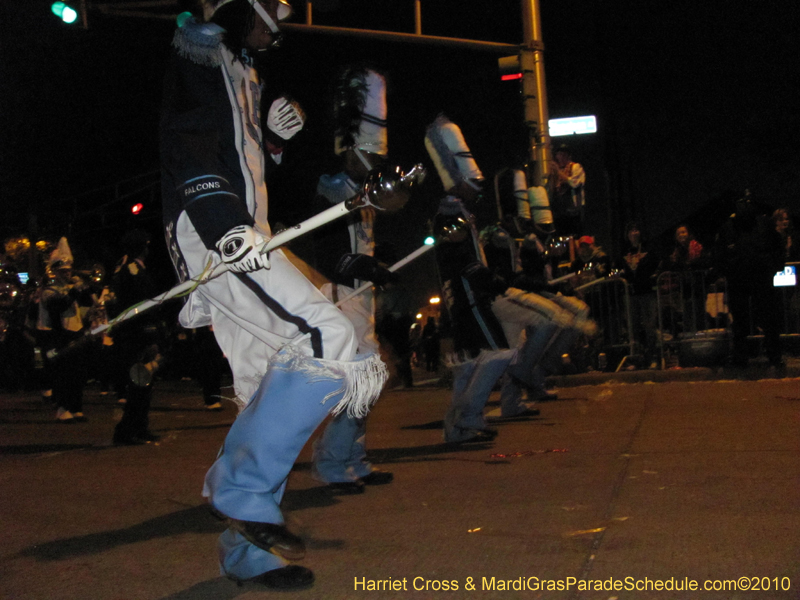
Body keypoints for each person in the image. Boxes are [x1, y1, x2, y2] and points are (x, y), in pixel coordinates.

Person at [159, 0, 387, 589]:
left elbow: (246, 164)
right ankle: (237, 491)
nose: (276, 30)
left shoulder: (244, 70)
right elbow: (187, 143)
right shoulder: (203, 50)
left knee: (266, 388)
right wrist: (221, 222)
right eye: (270, 16)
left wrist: (275, 145)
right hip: (218, 232)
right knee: (330, 335)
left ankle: (246, 551)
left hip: (245, 230)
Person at [297, 65, 396, 494]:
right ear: (351, 150)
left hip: (361, 299)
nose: (375, 162)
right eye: (369, 155)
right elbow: (328, 255)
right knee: (364, 382)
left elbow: (362, 249)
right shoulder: (329, 189)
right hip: (339, 299)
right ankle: (332, 464)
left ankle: (354, 460)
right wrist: (365, 266)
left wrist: (377, 265)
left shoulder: (364, 193)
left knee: (367, 385)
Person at [716, 194, 786, 368]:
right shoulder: (729, 227)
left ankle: (773, 356)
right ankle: (742, 357)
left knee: (768, 319)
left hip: (760, 279)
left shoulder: (764, 224)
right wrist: (725, 271)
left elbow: (778, 247)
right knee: (740, 321)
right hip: (739, 281)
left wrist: (775, 268)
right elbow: (719, 253)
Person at [111, 230, 165, 445]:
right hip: (136, 334)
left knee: (144, 383)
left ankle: (139, 427)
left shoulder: (128, 268)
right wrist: (150, 331)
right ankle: (126, 431)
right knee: (138, 383)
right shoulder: (132, 270)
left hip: (134, 333)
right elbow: (141, 304)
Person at [36, 238, 92, 423]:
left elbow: (87, 304)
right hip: (60, 336)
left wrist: (86, 288)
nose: (67, 274)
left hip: (77, 333)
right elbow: (59, 305)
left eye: (68, 271)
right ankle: (62, 408)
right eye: (63, 271)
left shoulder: (71, 287)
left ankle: (76, 408)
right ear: (56, 272)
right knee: (63, 374)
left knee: (78, 374)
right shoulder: (48, 290)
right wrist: (75, 290)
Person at [618, 221, 660, 368]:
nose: (634, 233)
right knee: (633, 327)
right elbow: (618, 268)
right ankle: (636, 358)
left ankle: (653, 356)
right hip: (630, 293)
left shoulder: (649, 248)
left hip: (646, 291)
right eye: (631, 231)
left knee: (650, 326)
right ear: (627, 234)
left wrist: (650, 277)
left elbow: (656, 265)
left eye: (636, 230)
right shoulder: (624, 250)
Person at [548, 143, 586, 236]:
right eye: (559, 154)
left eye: (564, 154)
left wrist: (558, 172)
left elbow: (575, 183)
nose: (561, 157)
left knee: (574, 236)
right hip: (559, 211)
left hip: (573, 211)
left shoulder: (575, 167)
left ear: (569, 156)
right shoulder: (555, 171)